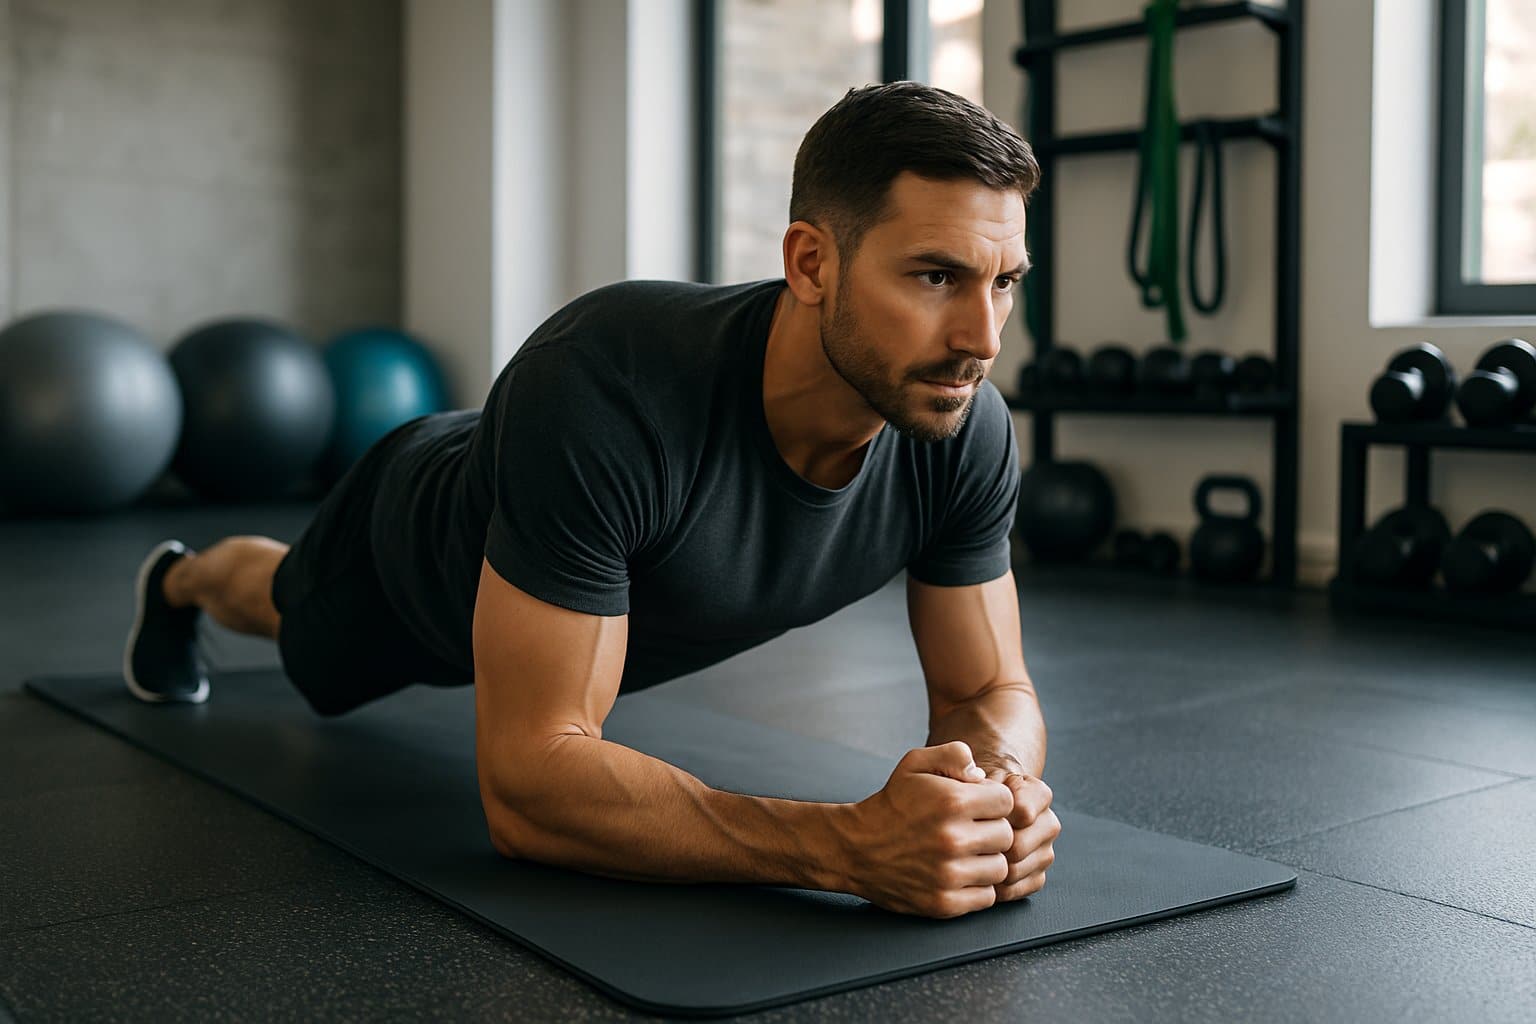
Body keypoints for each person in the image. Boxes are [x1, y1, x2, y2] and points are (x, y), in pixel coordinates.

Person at [123, 81, 1060, 921]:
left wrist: (993, 797)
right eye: (936, 276)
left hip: (558, 507)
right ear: (811, 264)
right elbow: (528, 787)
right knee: (285, 609)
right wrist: (849, 848)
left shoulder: (960, 426)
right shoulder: (609, 385)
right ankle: (181, 582)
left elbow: (987, 690)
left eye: (1005, 282)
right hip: (415, 550)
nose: (982, 336)